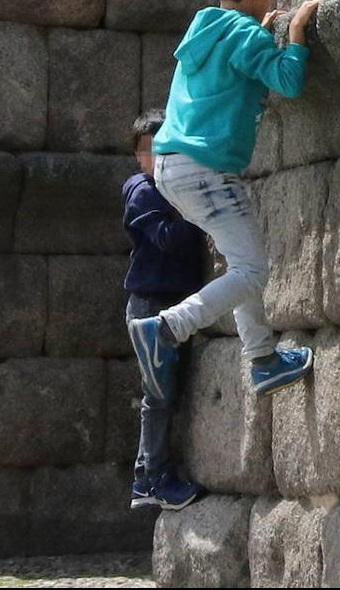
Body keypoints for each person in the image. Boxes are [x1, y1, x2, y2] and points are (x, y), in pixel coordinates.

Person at [129, 0, 321, 402]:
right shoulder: (245, 35)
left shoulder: (206, 32)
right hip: (207, 169)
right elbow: (289, 82)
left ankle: (263, 360)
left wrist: (257, 33)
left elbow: (229, 72)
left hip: (172, 168)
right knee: (253, 269)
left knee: (242, 263)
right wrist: (294, 34)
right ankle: (166, 328)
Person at [122, 109, 206, 510]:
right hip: (151, 308)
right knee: (157, 395)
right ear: (139, 156)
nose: (157, 157)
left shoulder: (170, 187)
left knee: (166, 394)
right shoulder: (143, 191)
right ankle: (150, 478)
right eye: (148, 150)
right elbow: (168, 238)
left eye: (164, 148)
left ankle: (151, 474)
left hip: (173, 304)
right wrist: (199, 207)